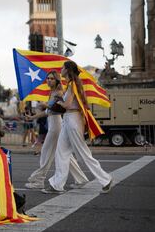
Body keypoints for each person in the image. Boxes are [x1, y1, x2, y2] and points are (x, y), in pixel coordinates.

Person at [43, 61, 113, 194]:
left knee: (83, 153)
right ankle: (57, 184)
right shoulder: (72, 84)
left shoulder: (72, 85)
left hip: (72, 120)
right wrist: (59, 100)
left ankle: (105, 179)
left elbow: (67, 105)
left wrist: (56, 101)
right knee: (61, 152)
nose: (61, 69)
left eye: (63, 68)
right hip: (69, 120)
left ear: (67, 70)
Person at [24, 71, 88, 190]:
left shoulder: (58, 92)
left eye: (52, 79)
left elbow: (59, 109)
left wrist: (45, 104)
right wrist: (32, 117)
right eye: (48, 78)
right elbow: (48, 112)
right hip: (53, 124)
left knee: (46, 153)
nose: (49, 80)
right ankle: (81, 179)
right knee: (65, 155)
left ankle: (39, 180)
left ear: (57, 80)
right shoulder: (52, 92)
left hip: (56, 126)